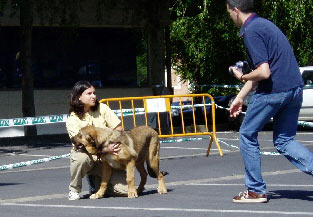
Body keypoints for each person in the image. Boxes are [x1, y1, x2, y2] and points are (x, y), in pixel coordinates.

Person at [226, 0, 313, 203]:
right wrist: (240, 98)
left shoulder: (251, 31)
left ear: (236, 10)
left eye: (229, 12)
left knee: (247, 134)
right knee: (284, 140)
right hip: (294, 89)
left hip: (274, 92)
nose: (229, 17)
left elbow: (263, 73)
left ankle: (255, 190)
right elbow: (264, 70)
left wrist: (240, 76)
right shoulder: (266, 24)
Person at [66, 80, 128, 200]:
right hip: (88, 155)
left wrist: (113, 146)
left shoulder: (103, 108)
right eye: (89, 94)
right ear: (79, 97)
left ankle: (97, 183)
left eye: (94, 93)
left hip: (107, 158)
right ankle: (74, 189)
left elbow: (119, 129)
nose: (94, 96)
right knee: (80, 158)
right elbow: (82, 145)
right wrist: (105, 149)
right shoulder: (72, 119)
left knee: (124, 191)